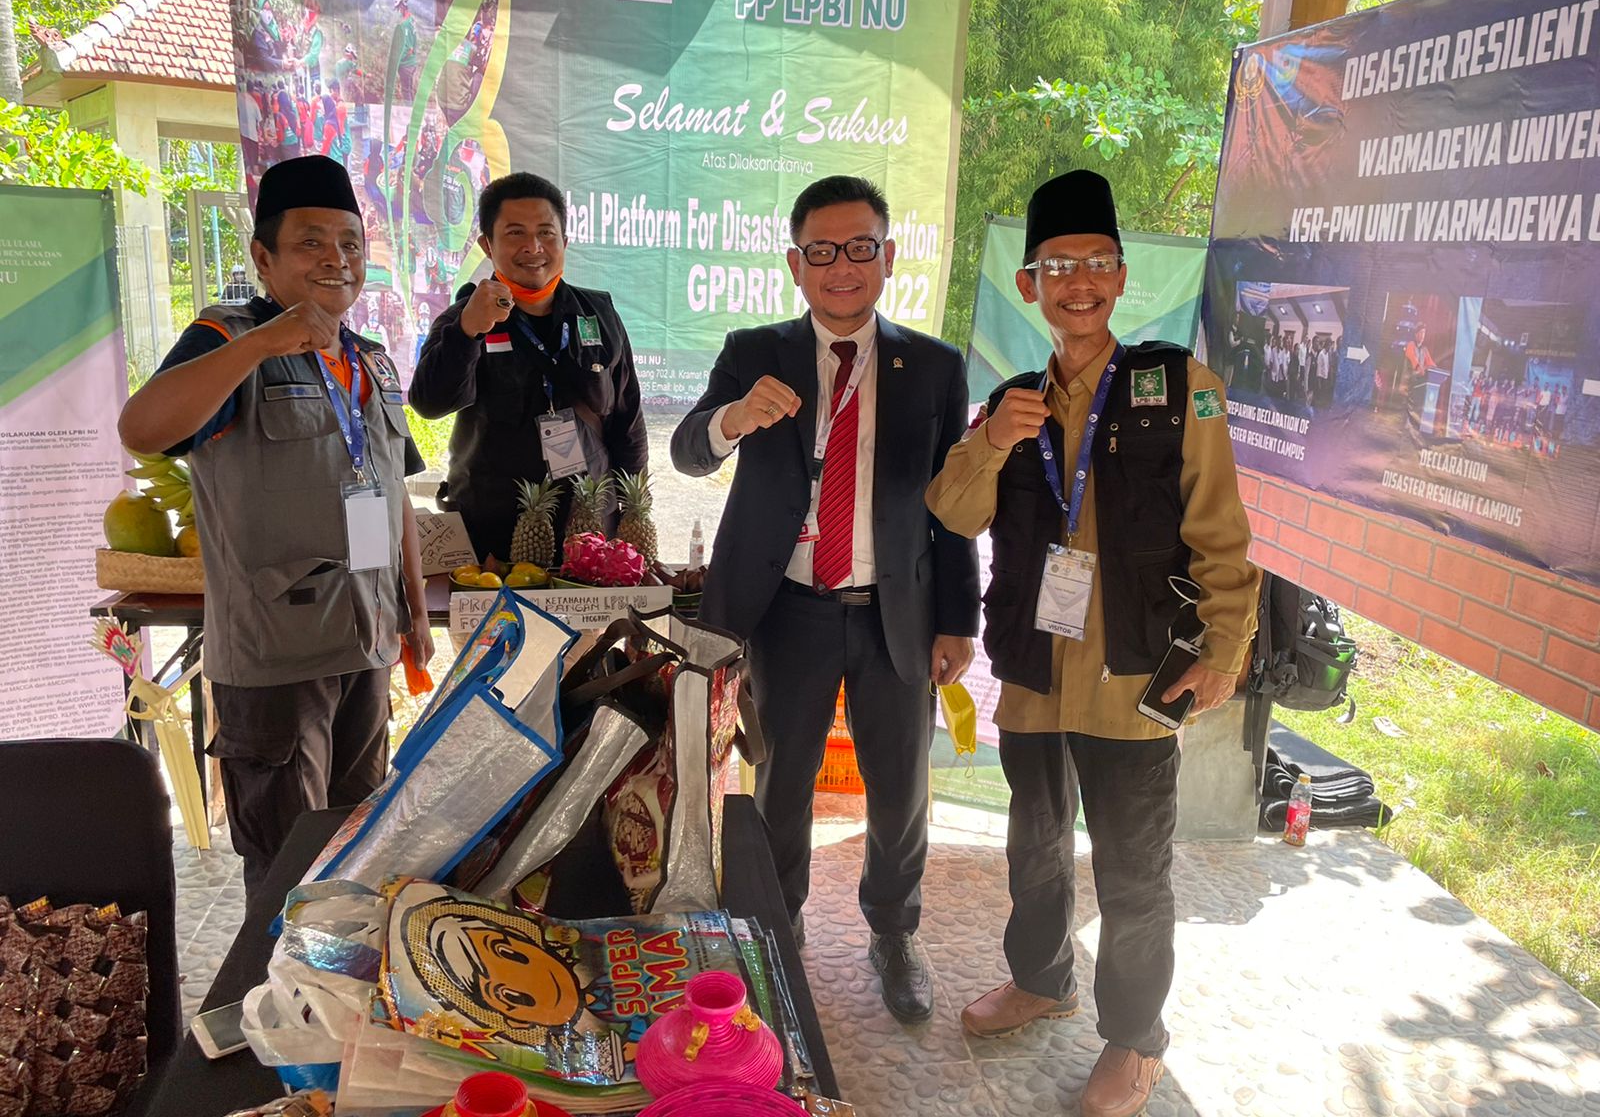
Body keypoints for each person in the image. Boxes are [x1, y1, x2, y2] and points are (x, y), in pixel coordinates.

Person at [926, 169, 1259, 1117]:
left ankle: (1135, 1038)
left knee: (1133, 869)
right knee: (1033, 847)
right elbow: (951, 511)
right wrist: (993, 440)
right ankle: (1042, 979)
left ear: (1120, 277)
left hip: (1134, 677)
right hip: (1035, 675)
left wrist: (1224, 647)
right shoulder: (1010, 401)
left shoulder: (1177, 388)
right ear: (1029, 284)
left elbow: (1220, 529)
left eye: (1097, 264)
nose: (1078, 282)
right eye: (1058, 266)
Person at [671, 175, 980, 1022]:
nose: (841, 266)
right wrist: (734, 417)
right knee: (782, 779)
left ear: (889, 256)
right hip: (787, 610)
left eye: (859, 247)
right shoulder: (753, 351)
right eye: (822, 251)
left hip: (896, 612)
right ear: (794, 264)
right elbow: (690, 450)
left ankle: (894, 932)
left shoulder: (935, 367)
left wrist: (960, 619)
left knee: (900, 786)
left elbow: (952, 508)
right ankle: (779, 928)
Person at [118, 155, 434, 898]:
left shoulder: (371, 361)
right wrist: (262, 343)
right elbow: (141, 427)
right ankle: (266, 978)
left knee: (353, 855)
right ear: (264, 259)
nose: (336, 260)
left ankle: (335, 978)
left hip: (363, 646)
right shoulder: (227, 338)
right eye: (310, 243)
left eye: (350, 244)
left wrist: (416, 611)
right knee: (288, 871)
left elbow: (392, 493)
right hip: (275, 660)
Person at [409, 172, 647, 560]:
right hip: (492, 535)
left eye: (546, 233)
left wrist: (632, 515)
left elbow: (628, 422)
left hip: (588, 530)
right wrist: (468, 331)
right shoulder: (463, 318)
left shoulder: (598, 314)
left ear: (564, 241)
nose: (533, 247)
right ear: (487, 245)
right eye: (515, 233)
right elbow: (429, 404)